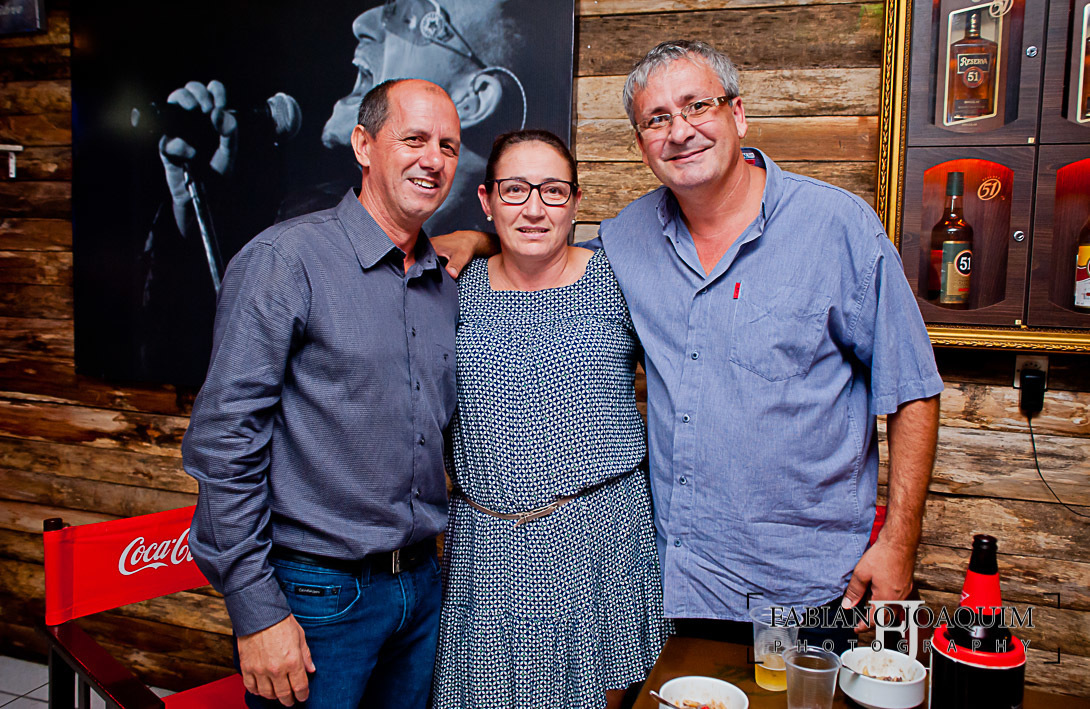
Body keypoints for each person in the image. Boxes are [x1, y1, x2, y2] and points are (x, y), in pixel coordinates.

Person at [436, 40, 944, 649]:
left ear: (738, 114)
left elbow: (912, 388)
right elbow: (541, 252)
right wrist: (478, 241)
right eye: (657, 119)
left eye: (697, 105)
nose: (680, 131)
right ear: (641, 144)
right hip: (679, 583)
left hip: (809, 586)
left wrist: (899, 542)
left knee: (803, 695)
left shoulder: (837, 227)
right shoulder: (628, 240)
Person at [182, 78, 461, 708]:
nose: (433, 159)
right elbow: (224, 443)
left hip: (422, 587)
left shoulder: (443, 286)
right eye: (414, 139)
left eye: (447, 145)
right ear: (363, 145)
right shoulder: (285, 260)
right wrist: (257, 611)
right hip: (317, 596)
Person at [138, 0, 532, 386]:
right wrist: (194, 211)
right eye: (414, 139)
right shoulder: (294, 238)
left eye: (408, 14)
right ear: (362, 144)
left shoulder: (484, 280)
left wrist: (481, 241)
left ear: (474, 99)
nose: (362, 23)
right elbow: (197, 373)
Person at [430, 130, 668, 709]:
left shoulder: (620, 280)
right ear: (487, 200)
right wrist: (476, 242)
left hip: (600, 543)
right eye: (515, 189)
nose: (534, 208)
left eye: (553, 191)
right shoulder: (451, 290)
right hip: (484, 548)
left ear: (576, 202)